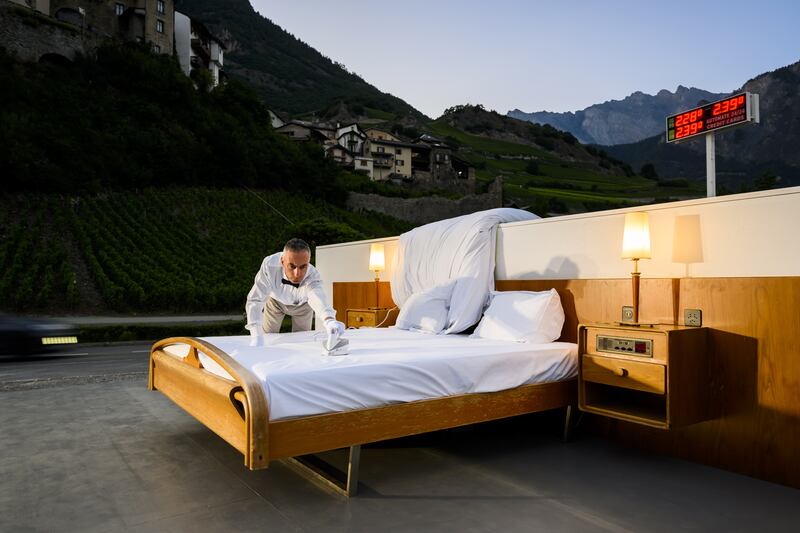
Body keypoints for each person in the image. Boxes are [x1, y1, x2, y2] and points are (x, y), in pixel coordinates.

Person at [245, 238, 344, 346]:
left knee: (302, 341)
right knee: (267, 337)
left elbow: (318, 297)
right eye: (292, 266)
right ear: (282, 261)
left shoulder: (312, 275)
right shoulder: (269, 266)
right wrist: (256, 335)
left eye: (303, 267)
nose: (297, 274)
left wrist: (329, 320)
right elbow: (255, 299)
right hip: (275, 302)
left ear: (308, 262)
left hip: (303, 306)